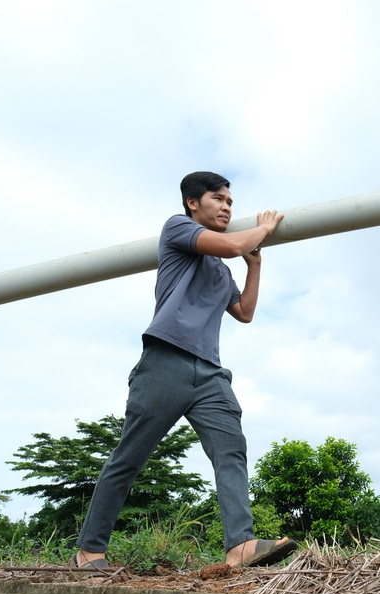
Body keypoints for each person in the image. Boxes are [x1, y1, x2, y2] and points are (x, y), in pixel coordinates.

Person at [71, 171, 297, 570]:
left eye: (231, 201)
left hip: (210, 372)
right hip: (165, 361)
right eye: (219, 199)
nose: (228, 206)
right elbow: (229, 246)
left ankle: (240, 546)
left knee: (231, 450)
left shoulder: (223, 270)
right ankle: (89, 551)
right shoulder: (177, 229)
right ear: (194, 203)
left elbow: (243, 312)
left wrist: (255, 265)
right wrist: (262, 229)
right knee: (130, 458)